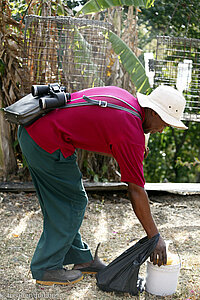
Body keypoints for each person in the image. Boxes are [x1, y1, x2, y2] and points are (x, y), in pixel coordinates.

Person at [17, 84, 187, 286]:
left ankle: (82, 259)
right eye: (164, 123)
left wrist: (131, 153)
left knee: (64, 202)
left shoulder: (125, 100)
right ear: (152, 111)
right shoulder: (132, 132)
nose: (161, 130)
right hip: (45, 141)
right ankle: (46, 268)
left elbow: (99, 130)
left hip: (33, 128)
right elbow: (136, 190)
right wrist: (155, 236)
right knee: (73, 202)